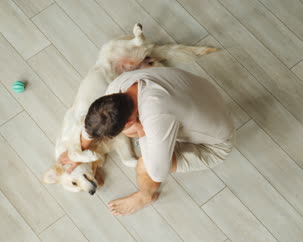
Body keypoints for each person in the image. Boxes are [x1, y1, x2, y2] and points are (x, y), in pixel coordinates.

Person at [59, 67, 235, 216]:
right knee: (132, 133)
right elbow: (93, 127)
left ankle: (145, 196)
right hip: (205, 93)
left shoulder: (155, 116)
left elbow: (158, 172)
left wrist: (142, 133)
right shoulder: (118, 86)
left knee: (144, 167)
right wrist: (78, 151)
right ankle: (154, 138)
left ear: (129, 121)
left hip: (215, 144)